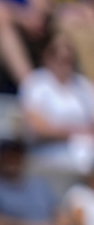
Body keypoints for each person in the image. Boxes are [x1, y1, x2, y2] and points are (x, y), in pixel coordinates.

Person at [20, 33, 94, 164]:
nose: (64, 65)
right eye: (59, 59)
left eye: (68, 60)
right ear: (48, 57)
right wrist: (76, 132)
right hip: (47, 154)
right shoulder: (36, 83)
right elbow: (37, 127)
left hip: (85, 154)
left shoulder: (84, 85)